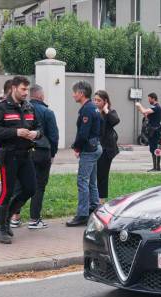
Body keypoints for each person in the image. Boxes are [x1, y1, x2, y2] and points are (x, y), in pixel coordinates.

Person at [0, 75, 43, 244]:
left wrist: (36, 133)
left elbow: (39, 127)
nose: (26, 92)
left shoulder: (29, 107)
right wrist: (15, 132)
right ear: (13, 88)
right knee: (7, 191)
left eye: (27, 89)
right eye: (23, 89)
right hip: (8, 155)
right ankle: (1, 229)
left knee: (30, 188)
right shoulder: (1, 107)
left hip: (26, 155)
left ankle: (5, 218)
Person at [10, 84, 59, 230]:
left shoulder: (22, 109)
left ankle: (14, 217)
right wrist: (52, 153)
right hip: (42, 151)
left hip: (24, 151)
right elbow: (54, 136)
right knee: (39, 185)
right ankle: (34, 219)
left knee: (19, 184)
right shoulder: (47, 112)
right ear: (41, 96)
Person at [66, 80, 102, 227]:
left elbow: (83, 133)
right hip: (96, 147)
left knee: (82, 181)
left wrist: (77, 147)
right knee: (92, 181)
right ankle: (94, 208)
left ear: (81, 93)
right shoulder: (94, 107)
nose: (73, 95)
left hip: (89, 150)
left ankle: (82, 214)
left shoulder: (87, 109)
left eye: (74, 92)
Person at [94, 90, 120, 204]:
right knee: (94, 175)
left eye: (99, 100)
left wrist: (106, 110)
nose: (96, 102)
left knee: (102, 175)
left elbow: (115, 121)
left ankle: (102, 200)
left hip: (106, 149)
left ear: (105, 101)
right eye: (94, 100)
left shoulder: (110, 112)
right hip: (94, 147)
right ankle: (94, 199)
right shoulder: (93, 111)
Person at [135, 92, 161, 171]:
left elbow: (144, 111)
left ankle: (157, 167)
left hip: (155, 131)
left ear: (153, 98)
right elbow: (146, 115)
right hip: (152, 130)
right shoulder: (154, 107)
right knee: (153, 148)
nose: (148, 100)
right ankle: (156, 167)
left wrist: (139, 105)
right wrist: (140, 108)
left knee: (155, 148)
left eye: (149, 99)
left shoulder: (156, 107)